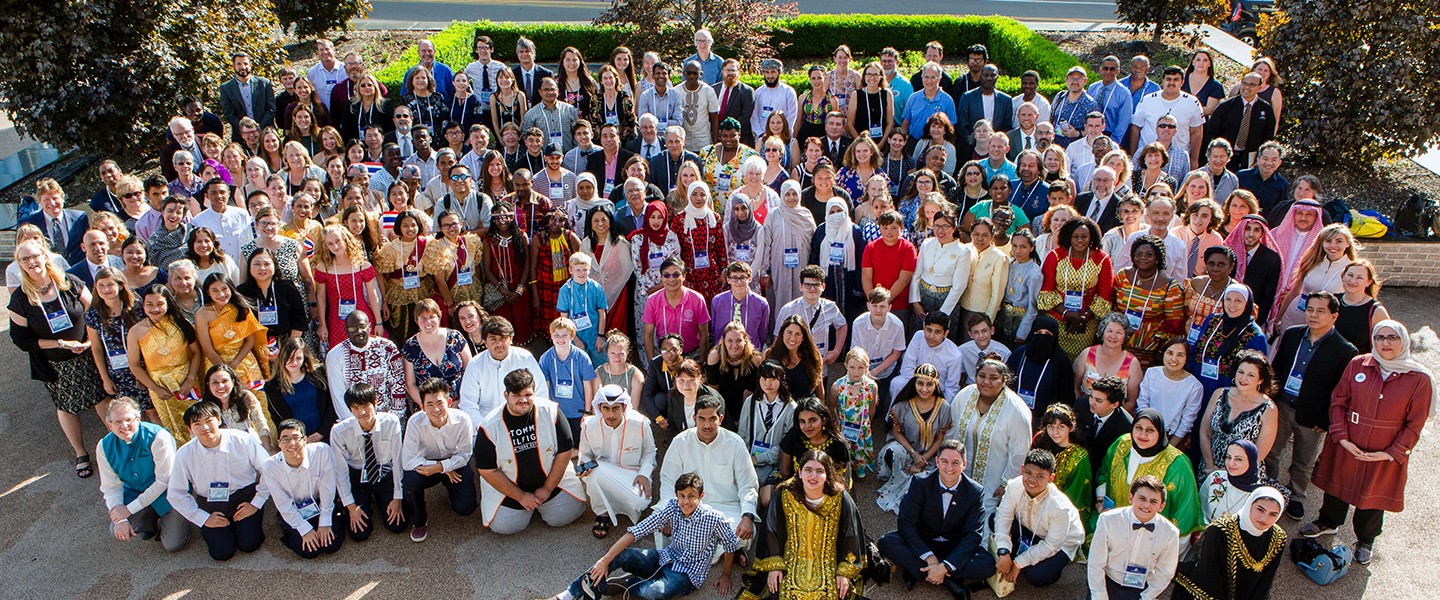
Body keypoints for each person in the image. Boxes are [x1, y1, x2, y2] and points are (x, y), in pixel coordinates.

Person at [1302, 320, 1433, 564]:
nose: (1385, 343)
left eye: (1392, 337)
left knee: (1373, 496)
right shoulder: (1357, 364)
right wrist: (1341, 438)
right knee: (1337, 485)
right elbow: (1338, 401)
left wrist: (1391, 453)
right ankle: (1328, 522)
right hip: (1348, 443)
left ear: (1403, 341)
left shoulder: (1419, 378)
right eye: (1380, 337)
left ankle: (1365, 539)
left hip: (1383, 452)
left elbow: (1415, 423)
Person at [552, 472, 740, 600]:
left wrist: (726, 575)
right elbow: (637, 531)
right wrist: (605, 560)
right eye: (682, 495)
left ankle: (619, 584)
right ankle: (568, 594)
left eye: (691, 496)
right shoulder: (673, 506)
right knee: (620, 556)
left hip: (687, 576)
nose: (685, 501)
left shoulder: (714, 518)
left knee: (651, 592)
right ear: (676, 495)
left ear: (701, 495)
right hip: (665, 557)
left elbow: (730, 545)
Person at [9, 240, 108, 478]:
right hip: (56, 365)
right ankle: (81, 453)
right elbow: (21, 340)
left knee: (101, 397)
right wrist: (61, 344)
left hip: (88, 355)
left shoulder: (69, 283)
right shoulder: (21, 299)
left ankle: (116, 446)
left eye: (35, 256)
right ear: (20, 265)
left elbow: (93, 309)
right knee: (66, 407)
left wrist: (87, 340)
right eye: (25, 259)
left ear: (45, 256)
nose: (32, 262)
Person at [1265, 291, 1358, 519]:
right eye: (1309, 310)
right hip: (1282, 407)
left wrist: (1327, 419)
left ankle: (1296, 495)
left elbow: (1342, 392)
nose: (1313, 315)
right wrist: (1271, 400)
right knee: (1271, 452)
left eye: (1320, 311)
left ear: (1334, 316)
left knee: (1303, 460)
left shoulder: (1345, 350)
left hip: (1312, 416)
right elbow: (1276, 368)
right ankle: (1269, 489)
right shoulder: (1292, 334)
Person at [877, 439, 997, 596]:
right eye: (944, 461)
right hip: (924, 540)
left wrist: (944, 566)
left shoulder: (975, 492)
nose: (949, 468)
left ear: (964, 465)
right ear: (937, 462)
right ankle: (946, 577)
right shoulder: (920, 483)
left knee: (987, 565)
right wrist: (930, 558)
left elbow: (973, 534)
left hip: (954, 545)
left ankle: (923, 571)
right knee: (886, 542)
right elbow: (906, 524)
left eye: (955, 463)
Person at [740, 451, 864, 600]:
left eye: (820, 471)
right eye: (808, 470)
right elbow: (771, 529)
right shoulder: (785, 494)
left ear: (827, 475)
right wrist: (775, 566)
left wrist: (844, 572)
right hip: (791, 562)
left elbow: (851, 533)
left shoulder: (840, 497)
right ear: (799, 472)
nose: (813, 476)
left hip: (827, 565)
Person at [166, 402, 271, 561]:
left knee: (249, 545)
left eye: (209, 421)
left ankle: (245, 526)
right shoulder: (184, 454)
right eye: (197, 424)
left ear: (219, 419)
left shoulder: (242, 439)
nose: (205, 427)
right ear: (190, 429)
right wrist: (201, 517)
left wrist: (256, 503)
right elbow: (175, 493)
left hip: (244, 496)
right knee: (222, 553)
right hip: (211, 500)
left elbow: (269, 469)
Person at [658, 394, 760, 550]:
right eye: (702, 419)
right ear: (694, 418)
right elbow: (667, 480)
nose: (707, 425)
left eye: (712, 419)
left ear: (721, 418)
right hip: (688, 507)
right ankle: (729, 553)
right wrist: (668, 513)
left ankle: (724, 550)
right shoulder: (681, 441)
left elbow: (748, 485)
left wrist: (747, 516)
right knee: (661, 526)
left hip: (726, 509)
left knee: (740, 533)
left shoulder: (735, 443)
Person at [96, 397, 192, 552]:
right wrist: (120, 517)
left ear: (138, 419)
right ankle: (150, 522)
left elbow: (164, 481)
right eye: (118, 422)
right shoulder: (103, 446)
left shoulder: (158, 437)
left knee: (173, 545)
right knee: (115, 526)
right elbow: (110, 486)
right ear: (110, 425)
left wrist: (129, 510)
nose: (124, 426)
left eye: (128, 419)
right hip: (135, 493)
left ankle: (178, 518)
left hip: (168, 494)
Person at [1095, 409, 1206, 542]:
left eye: (1150, 430)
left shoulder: (1178, 464)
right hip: (1113, 529)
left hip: (1153, 541)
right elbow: (1104, 473)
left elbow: (1185, 510)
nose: (1142, 434)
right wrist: (1100, 500)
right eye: (1138, 428)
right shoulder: (1122, 444)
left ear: (1160, 432)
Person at [949, 358, 1032, 517]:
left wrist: (1006, 483)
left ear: (1004, 380)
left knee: (984, 523)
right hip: (960, 476)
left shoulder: (1016, 410)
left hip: (993, 483)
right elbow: (951, 430)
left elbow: (1020, 453)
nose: (986, 382)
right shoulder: (965, 395)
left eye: (993, 378)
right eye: (981, 376)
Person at [993, 449, 1085, 588]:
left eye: (1040, 476)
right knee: (993, 518)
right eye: (1028, 473)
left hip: (1061, 543)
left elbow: (1051, 545)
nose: (1032, 480)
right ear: (1022, 469)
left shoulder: (1060, 507)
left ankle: (1051, 563)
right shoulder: (1014, 486)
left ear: (1051, 478)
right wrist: (1004, 552)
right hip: (1030, 529)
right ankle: (1017, 552)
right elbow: (1003, 517)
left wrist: (1018, 564)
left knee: (1037, 576)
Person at [1174, 487, 1288, 600]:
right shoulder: (1221, 530)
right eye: (1260, 510)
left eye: (1273, 514)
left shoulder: (1277, 537)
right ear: (1249, 505)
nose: (1264, 518)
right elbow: (1208, 572)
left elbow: (1266, 579)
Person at [399, 378, 477, 542]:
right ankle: (420, 520)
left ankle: (452, 491)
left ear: (449, 402)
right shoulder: (415, 422)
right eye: (429, 404)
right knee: (410, 481)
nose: (435, 409)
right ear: (422, 405)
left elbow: (464, 455)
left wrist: (445, 466)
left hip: (454, 463)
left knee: (466, 508)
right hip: (427, 464)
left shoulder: (463, 420)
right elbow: (407, 461)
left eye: (439, 403)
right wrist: (438, 467)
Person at [330, 384, 408, 542]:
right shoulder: (339, 432)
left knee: (398, 525)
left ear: (375, 402)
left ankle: (384, 500)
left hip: (384, 470)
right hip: (357, 474)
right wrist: (351, 506)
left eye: (366, 406)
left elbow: (398, 460)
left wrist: (397, 498)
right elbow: (340, 470)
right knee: (360, 533)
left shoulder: (391, 422)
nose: (362, 412)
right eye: (356, 408)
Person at [576, 384, 656, 538]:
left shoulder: (640, 423)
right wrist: (583, 464)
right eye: (606, 408)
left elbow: (650, 452)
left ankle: (615, 503)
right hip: (601, 472)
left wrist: (644, 474)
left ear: (624, 408)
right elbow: (585, 454)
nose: (610, 414)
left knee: (641, 503)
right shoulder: (589, 425)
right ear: (599, 408)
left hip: (632, 473)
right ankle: (602, 512)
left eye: (615, 409)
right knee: (595, 471)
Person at [128, 285, 203, 444]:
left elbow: (196, 352)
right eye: (150, 304)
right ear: (143, 305)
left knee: (198, 419)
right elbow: (134, 365)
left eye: (160, 304)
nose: (155, 309)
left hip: (187, 380)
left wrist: (190, 379)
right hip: (159, 385)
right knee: (173, 427)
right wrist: (155, 388)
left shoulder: (181, 323)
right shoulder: (136, 331)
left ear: (168, 303)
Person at [875, 363, 956, 513]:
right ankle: (900, 474)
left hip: (931, 458)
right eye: (920, 383)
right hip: (907, 451)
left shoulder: (944, 407)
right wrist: (914, 454)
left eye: (929, 384)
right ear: (914, 383)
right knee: (893, 452)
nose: (924, 389)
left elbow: (940, 437)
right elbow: (897, 432)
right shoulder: (903, 405)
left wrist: (921, 460)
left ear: (936, 385)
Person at [1088, 475, 1181, 600]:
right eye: (1142, 499)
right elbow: (1096, 562)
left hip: (1141, 589)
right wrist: (1100, 596)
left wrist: (1146, 597)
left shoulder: (1170, 533)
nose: (1146, 505)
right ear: (1131, 498)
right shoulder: (1108, 520)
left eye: (1153, 501)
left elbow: (1165, 572)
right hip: (1107, 582)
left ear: (1161, 506)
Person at [263, 419, 345, 559]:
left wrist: (325, 521)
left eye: (296, 438)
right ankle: (287, 528)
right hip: (295, 509)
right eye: (285, 439)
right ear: (279, 443)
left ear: (305, 440)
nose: (291, 444)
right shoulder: (270, 466)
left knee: (331, 545)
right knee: (309, 551)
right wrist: (304, 529)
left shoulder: (322, 451)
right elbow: (282, 502)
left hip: (320, 502)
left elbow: (328, 487)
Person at [1037, 217, 1113, 361]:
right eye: (1075, 236)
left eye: (1084, 236)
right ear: (1068, 236)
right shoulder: (1055, 256)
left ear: (1091, 237)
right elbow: (1047, 291)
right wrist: (1067, 314)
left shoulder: (1102, 259)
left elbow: (1105, 295)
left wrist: (1083, 317)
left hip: (1085, 324)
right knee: (1054, 360)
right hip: (1057, 318)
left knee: (1078, 364)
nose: (1080, 240)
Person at [457, 315, 549, 424]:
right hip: (487, 422)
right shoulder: (475, 364)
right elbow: (468, 404)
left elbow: (540, 393)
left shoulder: (525, 358)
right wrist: (484, 428)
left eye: (503, 339)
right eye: (493, 340)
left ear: (511, 339)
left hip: (523, 421)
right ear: (485, 342)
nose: (499, 344)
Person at [1190, 284, 1269, 405]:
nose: (1232, 305)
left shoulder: (1255, 336)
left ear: (1247, 304)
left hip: (1226, 396)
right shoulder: (1213, 320)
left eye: (1238, 301)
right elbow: (1196, 349)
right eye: (1228, 299)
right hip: (1198, 384)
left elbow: (1255, 373)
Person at [85, 267, 149, 415]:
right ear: (95, 287)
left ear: (120, 285)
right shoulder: (94, 314)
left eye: (110, 285)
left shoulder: (137, 307)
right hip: (117, 372)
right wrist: (105, 379)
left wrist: (142, 373)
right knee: (129, 414)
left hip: (142, 367)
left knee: (152, 412)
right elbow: (97, 348)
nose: (105, 289)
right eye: (101, 285)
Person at [1272, 223, 1356, 333]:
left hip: (1324, 324)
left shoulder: (1352, 270)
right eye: (1328, 241)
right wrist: (1278, 318)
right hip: (1295, 317)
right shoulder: (1311, 262)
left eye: (1339, 241)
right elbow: (1294, 291)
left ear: (1348, 243)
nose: (1333, 245)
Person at [312, 225, 383, 349]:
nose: (335, 246)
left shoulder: (362, 265)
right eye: (330, 244)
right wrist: (322, 324)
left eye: (338, 241)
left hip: (362, 316)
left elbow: (373, 295)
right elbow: (321, 297)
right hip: (337, 319)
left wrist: (378, 322)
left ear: (346, 239)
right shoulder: (323, 268)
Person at [754, 180, 816, 319]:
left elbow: (814, 243)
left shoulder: (805, 216)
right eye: (787, 194)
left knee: (801, 297)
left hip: (801, 265)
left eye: (794, 194)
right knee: (779, 300)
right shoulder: (774, 215)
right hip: (778, 268)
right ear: (782, 195)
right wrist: (765, 271)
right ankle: (777, 336)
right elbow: (767, 244)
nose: (791, 198)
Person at [401, 299, 471, 409]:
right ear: (416, 320)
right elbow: (410, 384)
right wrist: (428, 406)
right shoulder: (410, 346)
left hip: (459, 404)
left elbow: (470, 371)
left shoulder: (455, 337)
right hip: (428, 409)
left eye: (431, 317)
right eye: (423, 318)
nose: (428, 322)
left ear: (439, 317)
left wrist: (462, 400)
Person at [1032, 404, 1094, 528]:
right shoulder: (1041, 442)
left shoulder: (1079, 456)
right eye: (1050, 426)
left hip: (1060, 514)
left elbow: (1075, 494)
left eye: (1061, 427)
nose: (1055, 432)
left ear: (1071, 427)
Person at [1135, 338, 1204, 449]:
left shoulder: (1194, 386)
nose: (1173, 359)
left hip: (1171, 438)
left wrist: (1169, 447)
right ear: (1163, 354)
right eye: (1170, 353)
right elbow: (1142, 404)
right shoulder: (1152, 373)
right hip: (1145, 431)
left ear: (1186, 359)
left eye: (1180, 355)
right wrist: (1146, 431)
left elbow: (1187, 420)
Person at [265, 338, 336, 443]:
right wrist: (296, 438)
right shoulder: (273, 386)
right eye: (289, 358)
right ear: (282, 358)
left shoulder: (318, 376)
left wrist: (323, 431)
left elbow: (331, 404)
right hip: (296, 442)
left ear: (304, 358)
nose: (294, 362)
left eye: (298, 358)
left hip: (325, 435)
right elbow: (277, 417)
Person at [1205, 73, 1276, 172]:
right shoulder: (1226, 106)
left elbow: (1268, 136)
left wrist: (1261, 158)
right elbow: (1212, 131)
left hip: (1250, 158)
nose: (1247, 87)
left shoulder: (1266, 109)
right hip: (1225, 157)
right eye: (1244, 83)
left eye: (1251, 85)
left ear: (1260, 87)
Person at [1199, 440, 1279, 523]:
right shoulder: (1216, 477)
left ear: (1251, 461)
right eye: (1228, 457)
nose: (1231, 463)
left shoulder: (1258, 495)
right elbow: (1199, 506)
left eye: (1238, 459)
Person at [829, 348, 879, 479]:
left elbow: (872, 408)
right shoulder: (837, 386)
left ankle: (859, 470)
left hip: (861, 428)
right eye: (852, 367)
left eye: (860, 368)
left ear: (867, 367)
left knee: (859, 451)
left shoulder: (871, 386)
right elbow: (832, 407)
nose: (856, 372)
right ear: (845, 365)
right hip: (844, 427)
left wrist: (867, 424)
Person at [1335, 260, 1390, 354]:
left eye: (1359, 278)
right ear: (1343, 276)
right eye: (1350, 275)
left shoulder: (1376, 311)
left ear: (1369, 282)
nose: (1352, 281)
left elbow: (1388, 343)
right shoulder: (1332, 300)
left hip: (1356, 365)